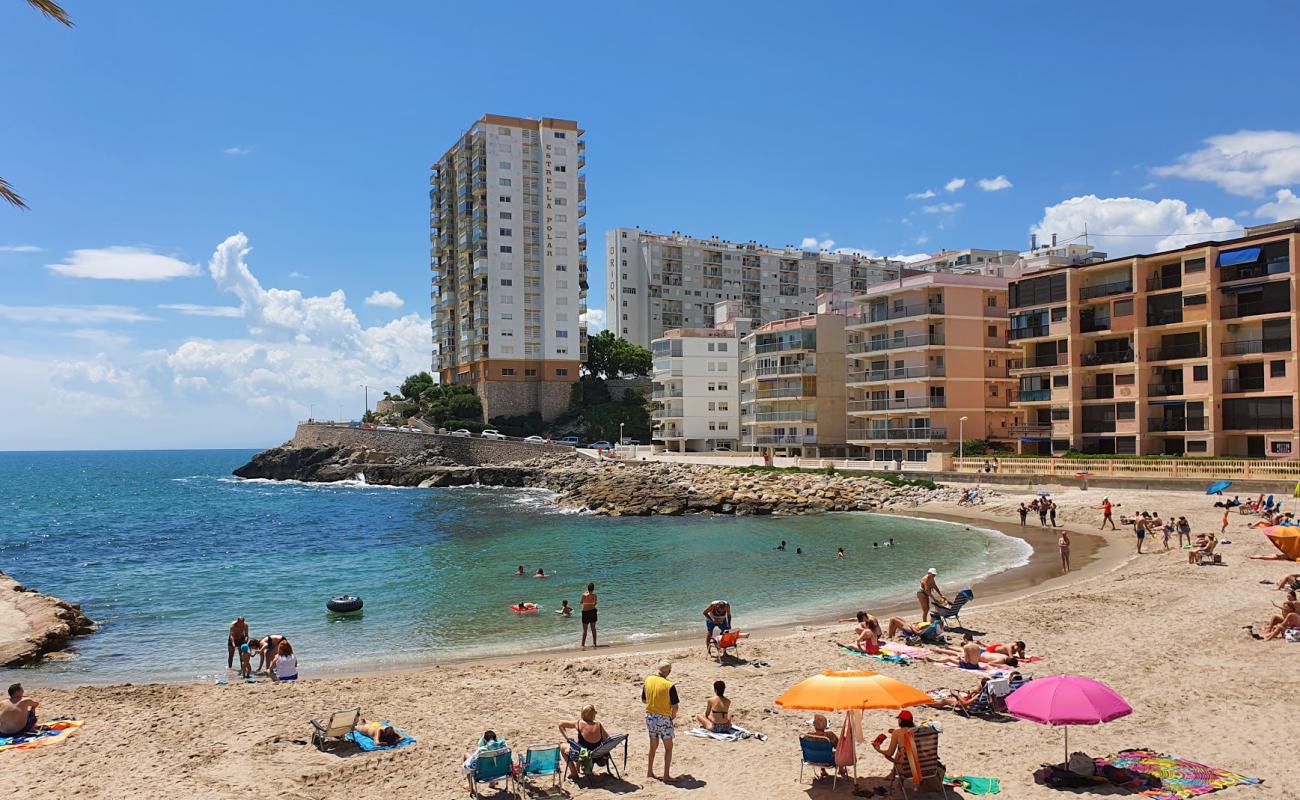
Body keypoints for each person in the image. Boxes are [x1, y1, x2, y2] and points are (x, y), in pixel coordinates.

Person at [642, 661, 678, 782]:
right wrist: (672, 717)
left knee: (653, 746)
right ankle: (666, 776)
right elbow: (675, 706)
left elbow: (643, 699)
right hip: (663, 718)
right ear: (668, 672)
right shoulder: (669, 685)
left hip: (650, 717)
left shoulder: (648, 680)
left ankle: (649, 772)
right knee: (668, 748)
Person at [559, 705, 609, 780]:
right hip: (597, 756)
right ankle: (578, 767)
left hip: (583, 756)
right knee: (582, 747)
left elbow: (561, 724)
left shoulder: (579, 723)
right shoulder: (599, 725)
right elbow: (608, 739)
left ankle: (574, 772)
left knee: (563, 746)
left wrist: (568, 738)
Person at [871, 710, 918, 781]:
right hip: (920, 766)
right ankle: (892, 774)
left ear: (901, 720)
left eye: (899, 719)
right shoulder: (917, 731)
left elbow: (889, 753)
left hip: (905, 767)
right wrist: (895, 733)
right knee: (902, 749)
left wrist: (878, 750)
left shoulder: (897, 733)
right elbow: (906, 733)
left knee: (898, 752)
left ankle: (893, 774)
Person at [805, 714, 845, 779]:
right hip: (827, 760)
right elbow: (838, 747)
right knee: (838, 751)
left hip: (811, 759)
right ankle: (840, 769)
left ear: (814, 726)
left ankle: (823, 770)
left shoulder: (808, 735)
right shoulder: (830, 735)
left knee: (818, 750)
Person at [580, 583, 598, 648]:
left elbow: (581, 602)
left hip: (585, 612)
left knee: (585, 630)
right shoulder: (595, 595)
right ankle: (594, 643)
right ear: (593, 589)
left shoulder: (584, 595)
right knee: (593, 629)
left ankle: (582, 644)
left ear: (587, 588)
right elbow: (595, 603)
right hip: (592, 611)